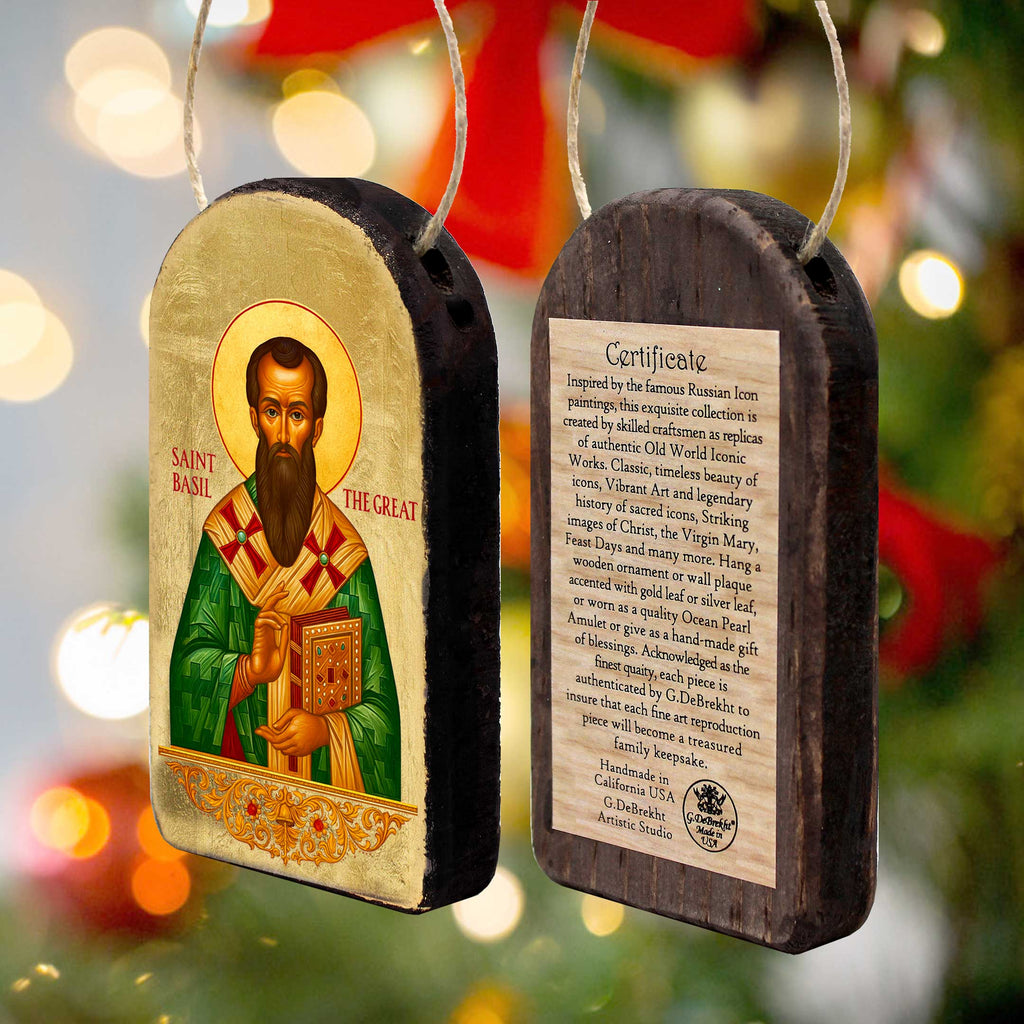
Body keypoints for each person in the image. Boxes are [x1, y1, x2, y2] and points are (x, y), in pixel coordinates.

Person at [169, 336, 400, 801]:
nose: (281, 433)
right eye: (271, 411)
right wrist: (250, 671)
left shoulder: (344, 553)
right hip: (242, 789)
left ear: (316, 427)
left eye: (296, 415)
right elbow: (186, 669)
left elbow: (382, 711)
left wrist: (328, 731)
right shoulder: (225, 534)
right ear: (253, 418)